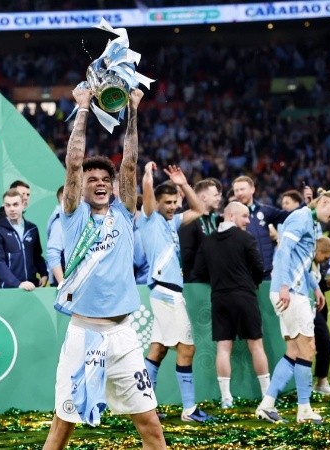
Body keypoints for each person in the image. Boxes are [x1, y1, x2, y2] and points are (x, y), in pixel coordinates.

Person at [44, 87, 165, 450]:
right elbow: (73, 161)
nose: (99, 183)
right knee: (62, 427)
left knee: (151, 425)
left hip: (124, 337)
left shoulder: (124, 213)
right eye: (91, 179)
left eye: (104, 180)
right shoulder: (72, 216)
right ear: (79, 188)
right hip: (83, 336)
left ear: (113, 188)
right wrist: (83, 108)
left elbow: (129, 162)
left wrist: (133, 110)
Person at [256, 188, 330, 424]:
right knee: (307, 349)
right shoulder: (301, 218)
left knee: (294, 351)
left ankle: (267, 405)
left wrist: (315, 288)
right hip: (291, 291)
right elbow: (284, 251)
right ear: (324, 202)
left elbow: (302, 262)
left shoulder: (310, 221)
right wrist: (284, 285)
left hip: (295, 290)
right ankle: (304, 410)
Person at [138, 162, 213, 422]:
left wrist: (183, 184)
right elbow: (148, 195)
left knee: (157, 350)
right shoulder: (149, 219)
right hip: (166, 293)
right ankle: (189, 410)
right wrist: (147, 175)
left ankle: (145, 407)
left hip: (168, 292)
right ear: (157, 203)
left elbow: (200, 209)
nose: (172, 207)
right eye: (167, 203)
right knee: (187, 349)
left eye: (174, 202)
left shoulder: (173, 222)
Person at [192, 201, 269, 409]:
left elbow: (199, 272)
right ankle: (266, 395)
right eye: (245, 216)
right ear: (232, 216)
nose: (248, 221)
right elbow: (258, 267)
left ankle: (226, 398)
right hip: (244, 296)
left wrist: (218, 279)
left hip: (219, 298)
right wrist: (253, 282)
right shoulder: (245, 238)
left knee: (223, 348)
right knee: (256, 346)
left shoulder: (207, 241)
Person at [231, 176, 290, 279]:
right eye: (236, 190)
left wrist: (307, 205)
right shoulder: (230, 216)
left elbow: (287, 216)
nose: (239, 193)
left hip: (267, 272)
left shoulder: (265, 210)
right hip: (244, 274)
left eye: (242, 189)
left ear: (252, 189)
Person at [0, 189, 47, 290]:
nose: (11, 209)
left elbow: (36, 256)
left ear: (23, 205)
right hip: (8, 288)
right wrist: (17, 283)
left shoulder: (32, 229)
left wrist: (44, 273)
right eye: (8, 205)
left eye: (15, 204)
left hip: (31, 286)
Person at [179, 178, 222, 281]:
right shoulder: (189, 219)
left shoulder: (213, 219)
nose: (219, 198)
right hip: (194, 281)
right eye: (215, 195)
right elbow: (186, 254)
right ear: (203, 197)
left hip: (211, 278)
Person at [312, 235, 330, 396]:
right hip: (308, 308)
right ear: (318, 251)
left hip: (318, 308)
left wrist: (327, 284)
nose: (327, 261)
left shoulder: (319, 264)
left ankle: (321, 382)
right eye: (326, 257)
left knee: (321, 345)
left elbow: (318, 287)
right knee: (324, 344)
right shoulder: (305, 263)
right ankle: (319, 382)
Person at [46, 186, 65, 286]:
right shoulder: (59, 222)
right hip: (66, 284)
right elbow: (53, 254)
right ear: (62, 199)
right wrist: (62, 284)